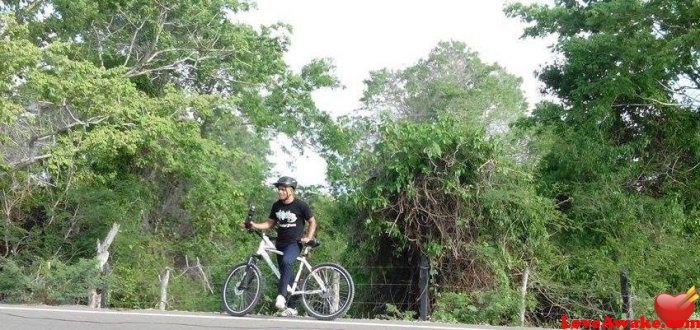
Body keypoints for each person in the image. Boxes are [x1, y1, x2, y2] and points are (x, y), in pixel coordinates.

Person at [241, 176, 317, 317]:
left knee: (287, 263)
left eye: (283, 189)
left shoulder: (301, 205)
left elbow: (312, 222)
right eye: (278, 189)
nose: (280, 192)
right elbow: (270, 223)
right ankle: (293, 306)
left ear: (291, 190)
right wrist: (254, 225)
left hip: (294, 243)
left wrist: (308, 238)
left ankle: (281, 296)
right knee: (285, 273)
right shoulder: (277, 206)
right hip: (280, 243)